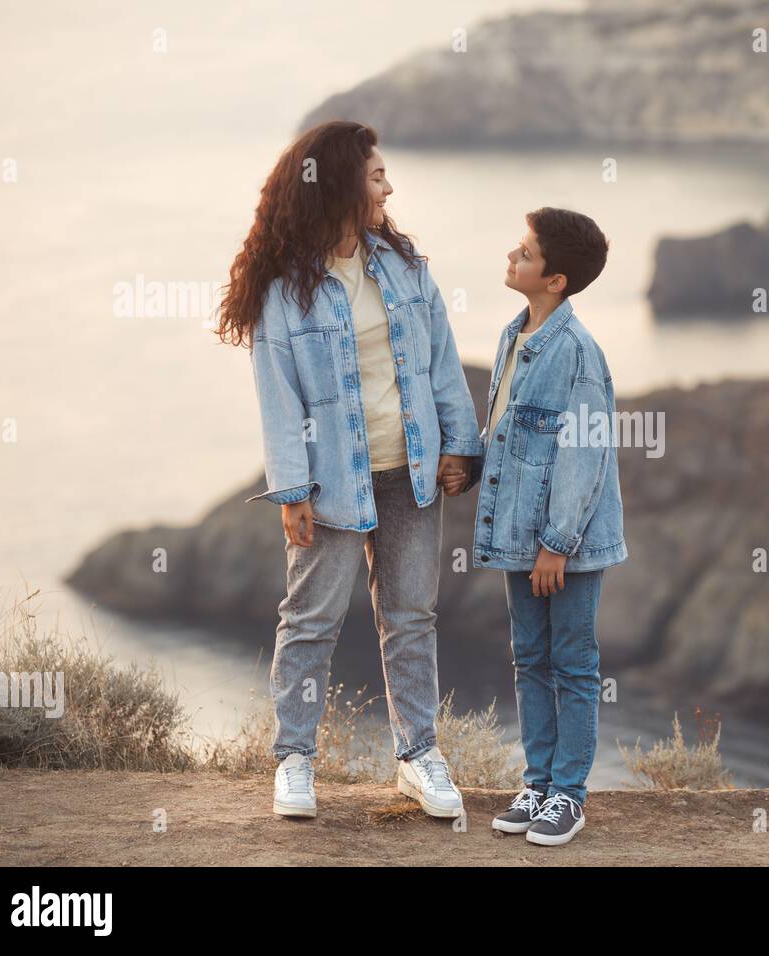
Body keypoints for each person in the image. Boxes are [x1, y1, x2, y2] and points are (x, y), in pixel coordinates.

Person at [215, 120, 482, 821]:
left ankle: (418, 754)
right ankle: (295, 759)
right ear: (338, 184)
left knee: (412, 617)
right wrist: (293, 489)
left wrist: (462, 444)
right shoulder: (285, 287)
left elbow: (440, 361)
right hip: (333, 482)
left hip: (412, 473)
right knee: (309, 621)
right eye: (377, 176)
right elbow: (278, 392)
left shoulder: (403, 265)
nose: (389, 186)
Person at [471, 207, 627, 846]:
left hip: (566, 547)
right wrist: (468, 466)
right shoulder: (516, 336)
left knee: (573, 664)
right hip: (520, 538)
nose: (513, 256)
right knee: (529, 660)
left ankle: (568, 796)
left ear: (555, 279)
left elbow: (584, 456)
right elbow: (510, 434)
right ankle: (537, 786)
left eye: (526, 252)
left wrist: (556, 546)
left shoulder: (578, 355)